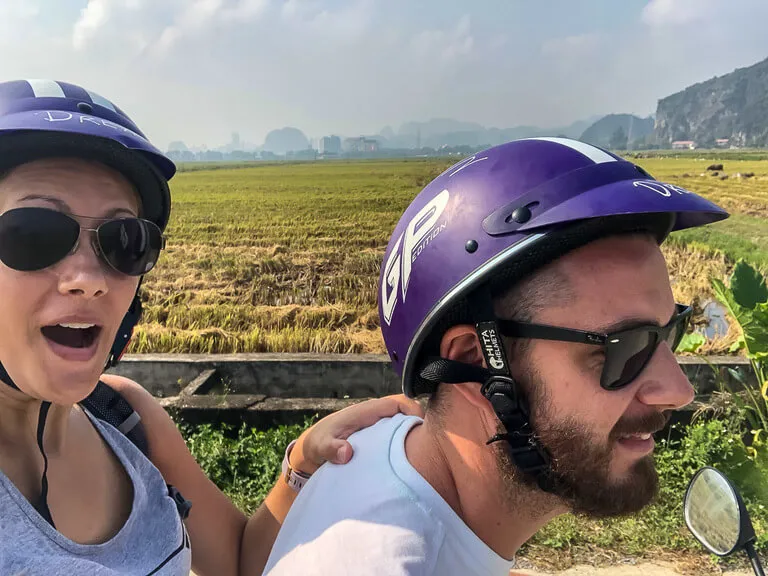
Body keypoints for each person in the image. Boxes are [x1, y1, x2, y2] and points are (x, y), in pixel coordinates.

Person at [0, 79, 422, 576]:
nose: (89, 280)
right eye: (34, 233)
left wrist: (301, 464)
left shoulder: (125, 417)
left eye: (126, 240)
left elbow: (236, 564)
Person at [263, 137, 730, 575]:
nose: (679, 391)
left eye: (671, 329)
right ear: (478, 361)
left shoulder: (392, 447)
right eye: (625, 347)